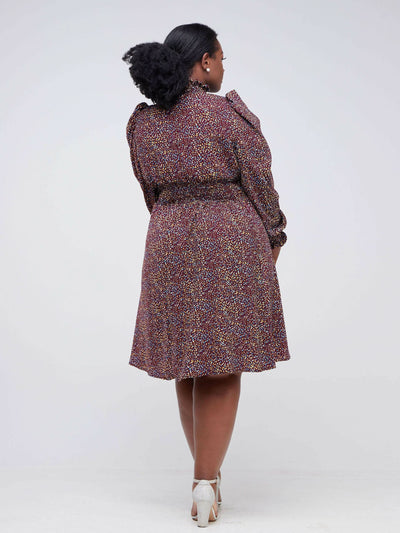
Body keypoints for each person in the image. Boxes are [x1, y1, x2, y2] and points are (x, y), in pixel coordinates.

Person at [122, 22, 291, 527]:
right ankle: (204, 482)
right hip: (229, 239)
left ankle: (206, 482)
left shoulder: (142, 124)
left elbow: (150, 191)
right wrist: (274, 234)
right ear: (205, 61)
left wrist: (177, 222)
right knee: (221, 363)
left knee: (188, 361)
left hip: (169, 240)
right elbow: (260, 183)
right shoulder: (227, 115)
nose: (222, 66)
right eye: (221, 57)